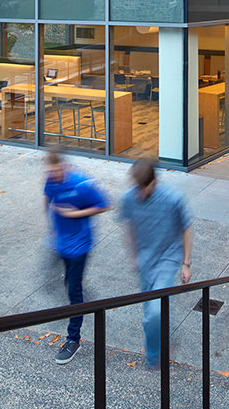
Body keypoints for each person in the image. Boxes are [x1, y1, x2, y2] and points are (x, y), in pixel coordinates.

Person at [119, 159, 193, 369]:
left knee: (152, 314)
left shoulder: (173, 199)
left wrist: (186, 263)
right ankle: (162, 339)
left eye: (144, 188)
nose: (139, 193)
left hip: (167, 259)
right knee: (151, 310)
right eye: (137, 187)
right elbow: (129, 226)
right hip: (145, 260)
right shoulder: (129, 198)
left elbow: (187, 227)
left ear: (154, 182)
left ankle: (154, 357)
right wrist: (134, 255)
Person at [43, 148, 109, 365]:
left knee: (74, 290)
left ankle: (73, 339)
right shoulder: (51, 181)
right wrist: (52, 225)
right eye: (49, 171)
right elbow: (47, 198)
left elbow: (104, 205)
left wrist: (75, 213)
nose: (52, 174)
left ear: (63, 166)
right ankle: (79, 298)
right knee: (65, 284)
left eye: (55, 170)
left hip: (80, 246)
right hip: (60, 244)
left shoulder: (81, 184)